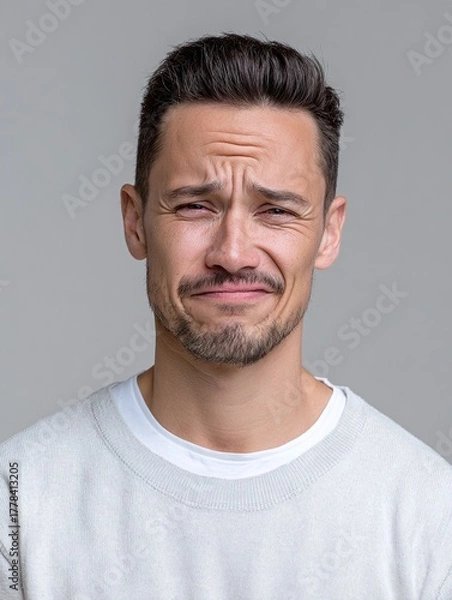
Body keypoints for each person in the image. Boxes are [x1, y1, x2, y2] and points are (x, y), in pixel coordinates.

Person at [1, 32, 451, 599]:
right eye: (195, 205)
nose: (233, 253)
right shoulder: (19, 502)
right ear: (135, 221)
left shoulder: (429, 519)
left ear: (329, 232)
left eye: (276, 211)